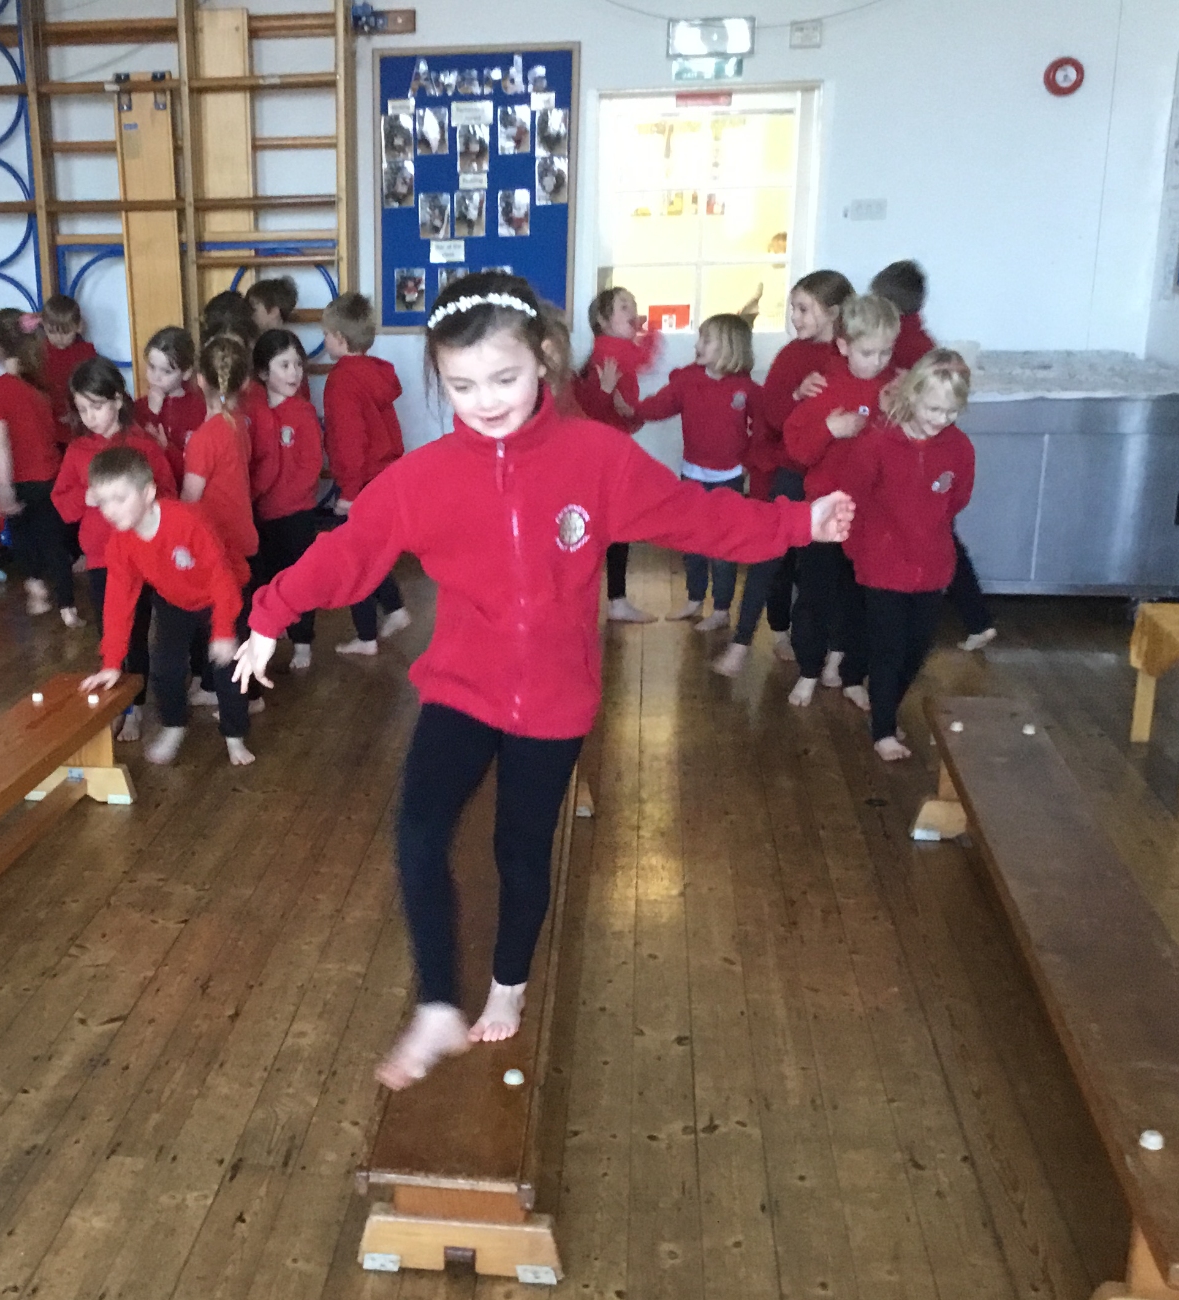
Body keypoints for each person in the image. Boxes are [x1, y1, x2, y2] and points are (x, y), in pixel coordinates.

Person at [231, 272, 853, 1089]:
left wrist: (799, 521)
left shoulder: (596, 458)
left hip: (555, 700)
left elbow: (699, 517)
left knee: (519, 848)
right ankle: (437, 1005)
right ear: (438, 379)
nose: (484, 402)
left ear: (545, 360)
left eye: (504, 378)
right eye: (461, 386)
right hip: (462, 686)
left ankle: (508, 983)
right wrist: (269, 615)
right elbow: (348, 552)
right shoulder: (424, 477)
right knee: (418, 830)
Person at [80, 446, 255, 767]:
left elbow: (222, 578)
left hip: (223, 595)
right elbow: (118, 604)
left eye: (120, 498)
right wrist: (112, 662)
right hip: (175, 601)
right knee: (165, 669)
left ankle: (234, 736)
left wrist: (223, 631)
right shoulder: (120, 543)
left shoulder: (188, 521)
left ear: (148, 493)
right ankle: (174, 726)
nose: (110, 510)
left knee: (228, 671)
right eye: (102, 501)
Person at [841, 349, 976, 761]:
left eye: (951, 412)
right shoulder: (878, 443)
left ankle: (883, 704)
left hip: (932, 567)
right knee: (888, 648)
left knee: (917, 647)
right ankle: (883, 729)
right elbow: (855, 496)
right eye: (933, 408)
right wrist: (862, 549)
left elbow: (957, 499)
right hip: (882, 565)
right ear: (913, 395)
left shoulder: (959, 448)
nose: (941, 419)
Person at [872, 258, 998, 652]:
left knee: (940, 540)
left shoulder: (904, 345)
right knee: (943, 537)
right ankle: (977, 619)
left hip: (920, 459)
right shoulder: (922, 340)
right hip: (923, 459)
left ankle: (976, 618)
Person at [782, 293, 900, 706]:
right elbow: (797, 449)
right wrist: (830, 429)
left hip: (872, 516)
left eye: (886, 352)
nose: (878, 361)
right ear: (845, 345)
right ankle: (808, 670)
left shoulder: (896, 389)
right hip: (826, 512)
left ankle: (845, 668)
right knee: (815, 595)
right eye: (868, 352)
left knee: (860, 596)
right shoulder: (824, 387)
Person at [53, 357, 178, 741]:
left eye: (97, 406)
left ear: (118, 401)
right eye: (82, 409)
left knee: (138, 634)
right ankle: (120, 705)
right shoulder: (78, 450)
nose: (90, 416)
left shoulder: (142, 445)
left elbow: (168, 496)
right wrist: (86, 498)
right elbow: (62, 504)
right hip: (101, 559)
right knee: (111, 633)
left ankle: (136, 708)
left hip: (142, 556)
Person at [746, 269, 854, 663]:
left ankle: (827, 643)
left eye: (804, 309)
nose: (795, 317)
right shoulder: (791, 355)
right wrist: (796, 394)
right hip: (790, 469)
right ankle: (779, 629)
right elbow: (772, 414)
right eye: (794, 308)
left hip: (832, 475)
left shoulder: (848, 353)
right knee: (781, 555)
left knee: (825, 564)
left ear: (834, 312)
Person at [649, 313, 759, 652]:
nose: (697, 345)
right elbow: (659, 406)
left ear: (728, 348)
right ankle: (695, 598)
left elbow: (765, 427)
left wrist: (750, 462)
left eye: (706, 340)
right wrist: (630, 409)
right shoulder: (687, 380)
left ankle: (721, 609)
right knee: (692, 542)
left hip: (729, 479)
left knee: (723, 549)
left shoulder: (745, 388)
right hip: (692, 474)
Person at [319, 291, 413, 654]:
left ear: (340, 339)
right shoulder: (377, 372)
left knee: (355, 560)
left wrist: (348, 492)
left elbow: (349, 441)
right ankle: (395, 610)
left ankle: (366, 636)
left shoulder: (342, 381)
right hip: (386, 478)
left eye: (326, 334)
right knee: (370, 554)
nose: (324, 340)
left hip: (361, 485)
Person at [181, 334, 262, 714]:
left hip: (218, 541)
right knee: (238, 620)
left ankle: (239, 696)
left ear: (199, 380)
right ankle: (239, 691)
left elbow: (189, 499)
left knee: (224, 624)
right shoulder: (239, 424)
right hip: (241, 533)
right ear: (245, 382)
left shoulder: (204, 438)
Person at [0, 308, 77, 626]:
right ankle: (67, 607)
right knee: (54, 543)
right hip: (51, 476)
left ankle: (36, 590)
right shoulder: (42, 386)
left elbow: (0, 445)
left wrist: (3, 487)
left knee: (23, 539)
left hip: (21, 480)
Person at [574, 285, 664, 623]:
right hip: (603, 457)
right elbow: (591, 412)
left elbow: (618, 412)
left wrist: (630, 412)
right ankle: (613, 600)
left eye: (634, 305)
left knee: (607, 528)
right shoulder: (611, 352)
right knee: (610, 528)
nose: (633, 311)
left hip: (608, 453)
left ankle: (611, 600)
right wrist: (652, 330)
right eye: (625, 306)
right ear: (603, 320)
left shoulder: (609, 351)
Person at [245, 327, 325, 672]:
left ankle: (303, 640)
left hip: (296, 514)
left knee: (299, 579)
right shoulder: (254, 411)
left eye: (298, 364)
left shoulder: (303, 412)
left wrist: (289, 498)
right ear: (264, 373)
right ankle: (270, 629)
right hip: (262, 514)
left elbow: (311, 465)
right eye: (284, 365)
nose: (294, 373)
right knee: (266, 578)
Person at [137, 326, 207, 481]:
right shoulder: (139, 407)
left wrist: (167, 448)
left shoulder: (199, 407)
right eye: (152, 367)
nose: (156, 377)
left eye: (166, 371)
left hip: (187, 486)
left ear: (186, 373)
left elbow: (198, 463)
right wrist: (152, 413)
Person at [40, 294, 96, 443]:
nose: (59, 338)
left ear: (78, 327)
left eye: (65, 332)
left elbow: (93, 387)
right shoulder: (39, 353)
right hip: (48, 422)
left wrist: (77, 412)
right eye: (52, 332)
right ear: (43, 326)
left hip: (81, 420)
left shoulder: (86, 352)